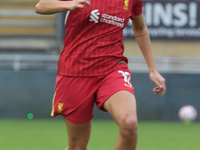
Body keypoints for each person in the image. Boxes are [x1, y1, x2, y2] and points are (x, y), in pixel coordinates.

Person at [35, 0, 166, 150]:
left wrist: (153, 69)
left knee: (129, 124)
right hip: (74, 71)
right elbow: (41, 6)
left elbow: (140, 28)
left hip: (112, 69)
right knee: (77, 146)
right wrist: (69, 4)